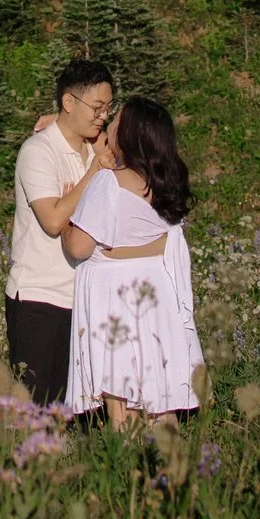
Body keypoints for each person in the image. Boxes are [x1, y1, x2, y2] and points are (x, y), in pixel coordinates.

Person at [62, 97, 202, 427]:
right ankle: (171, 467)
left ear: (131, 134)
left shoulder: (108, 183)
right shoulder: (166, 185)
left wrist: (70, 218)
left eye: (117, 120)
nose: (109, 122)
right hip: (158, 295)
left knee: (122, 397)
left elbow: (79, 246)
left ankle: (127, 468)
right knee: (159, 392)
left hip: (117, 298)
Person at [5, 60, 113, 406]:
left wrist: (95, 156)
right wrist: (92, 173)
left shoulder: (95, 147)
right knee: (37, 409)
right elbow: (52, 220)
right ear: (69, 103)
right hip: (40, 297)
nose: (103, 116)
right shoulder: (38, 152)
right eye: (97, 108)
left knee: (77, 411)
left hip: (81, 298)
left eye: (108, 108)